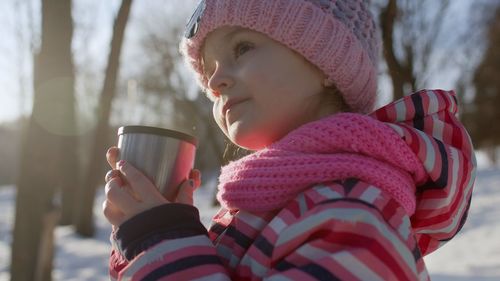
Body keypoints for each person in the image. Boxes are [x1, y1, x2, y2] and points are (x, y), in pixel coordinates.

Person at [103, 0, 477, 280]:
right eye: (208, 70)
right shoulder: (266, 204)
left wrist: (161, 240)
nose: (215, 82)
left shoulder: (354, 215)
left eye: (242, 48)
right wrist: (144, 236)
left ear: (327, 65)